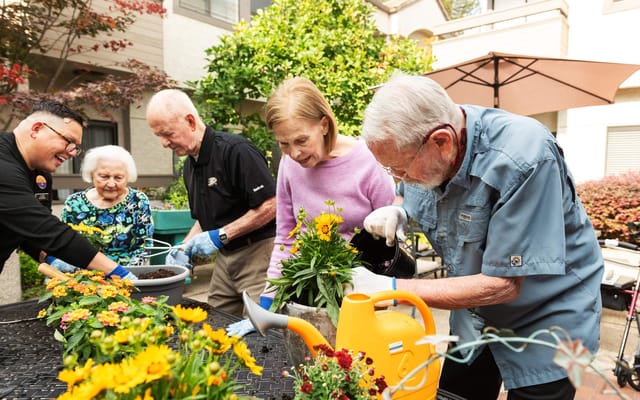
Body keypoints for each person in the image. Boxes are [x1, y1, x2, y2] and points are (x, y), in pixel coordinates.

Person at [348, 74, 603, 400]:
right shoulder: (426, 141)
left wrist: (392, 289)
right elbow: (406, 193)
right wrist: (397, 209)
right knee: (456, 394)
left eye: (401, 169)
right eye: (390, 171)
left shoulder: (526, 157)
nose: (399, 178)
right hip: (475, 310)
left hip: (555, 317)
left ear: (442, 141)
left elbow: (504, 284)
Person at [227, 76, 396, 336]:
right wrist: (265, 306)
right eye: (284, 143)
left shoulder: (368, 162)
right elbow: (285, 238)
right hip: (308, 293)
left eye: (301, 140)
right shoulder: (289, 164)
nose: (294, 153)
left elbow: (390, 242)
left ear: (324, 125)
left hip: (362, 296)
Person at [145, 89, 277, 316]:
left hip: (258, 254)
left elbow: (272, 204)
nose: (163, 143)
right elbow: (204, 220)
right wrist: (183, 247)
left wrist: (222, 234)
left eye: (167, 134)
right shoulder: (190, 166)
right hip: (225, 260)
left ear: (190, 121)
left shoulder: (236, 151)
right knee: (213, 320)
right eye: (158, 136)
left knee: (260, 330)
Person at [0, 100, 137, 280]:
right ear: (36, 129)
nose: (72, 153)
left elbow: (31, 232)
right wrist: (116, 271)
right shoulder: (3, 166)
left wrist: (49, 257)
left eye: (76, 147)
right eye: (69, 141)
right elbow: (44, 228)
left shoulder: (41, 175)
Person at [48, 145, 154, 272]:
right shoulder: (74, 203)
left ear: (127, 176)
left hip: (127, 274)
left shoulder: (138, 201)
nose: (111, 184)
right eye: (104, 176)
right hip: (84, 277)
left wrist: (126, 275)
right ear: (92, 174)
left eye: (118, 178)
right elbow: (66, 244)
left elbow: (145, 246)